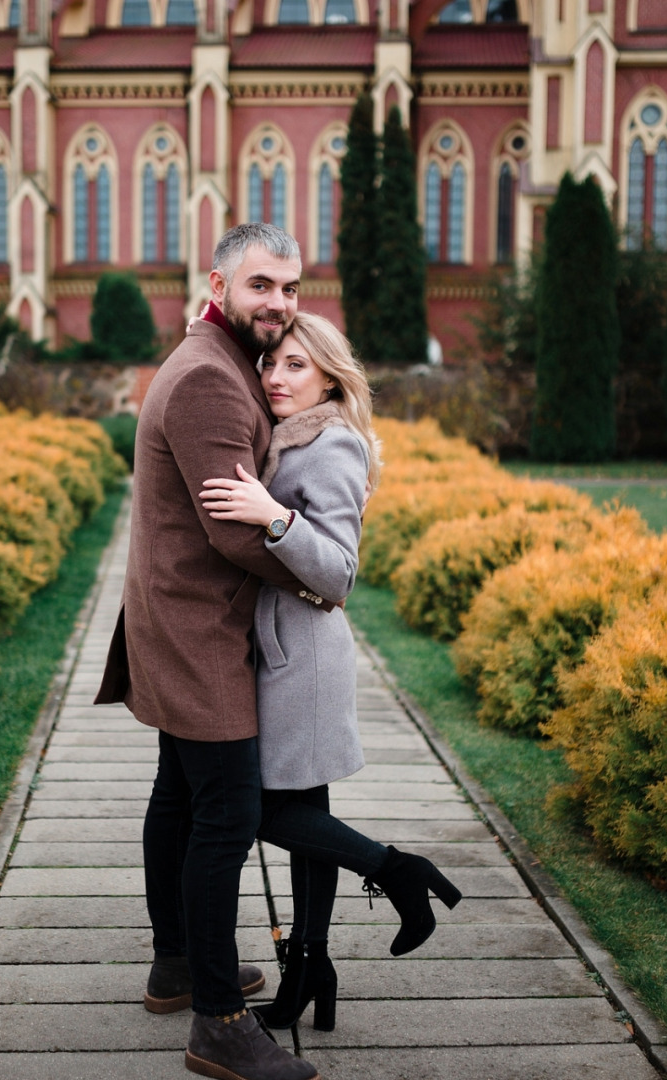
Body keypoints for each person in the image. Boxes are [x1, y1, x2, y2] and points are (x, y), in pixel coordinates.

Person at [95, 223, 326, 1080]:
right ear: (220, 285)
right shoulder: (209, 381)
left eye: (292, 288)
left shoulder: (209, 361)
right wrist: (319, 578)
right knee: (224, 815)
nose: (279, 303)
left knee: (181, 799)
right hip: (197, 627)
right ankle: (219, 1020)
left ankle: (179, 962)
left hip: (176, 615)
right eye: (262, 285)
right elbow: (234, 532)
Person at [198, 313, 462, 1033]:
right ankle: (309, 970)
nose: (275, 379)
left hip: (303, 657)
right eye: (270, 365)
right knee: (304, 813)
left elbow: (340, 572)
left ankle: (397, 868)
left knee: (264, 811)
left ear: (328, 376)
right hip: (283, 649)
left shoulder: (333, 442)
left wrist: (272, 516)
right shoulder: (290, 435)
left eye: (294, 366)